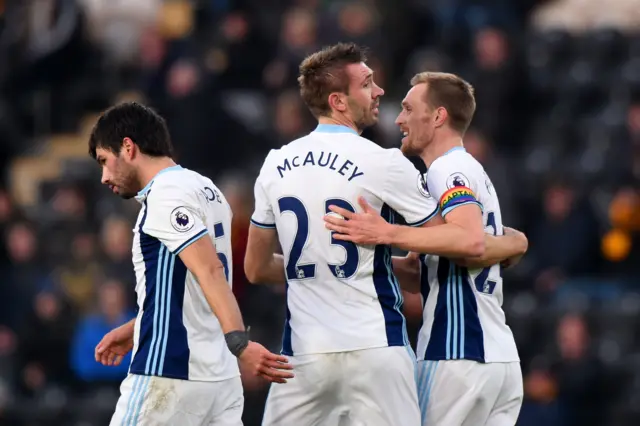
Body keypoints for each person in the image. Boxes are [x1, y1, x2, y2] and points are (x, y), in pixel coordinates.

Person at [244, 43, 524, 426]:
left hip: (304, 355)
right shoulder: (386, 162)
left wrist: (338, 262)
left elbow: (256, 268)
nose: (379, 92)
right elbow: (462, 242)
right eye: (367, 83)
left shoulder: (275, 163)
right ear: (339, 101)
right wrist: (514, 242)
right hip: (377, 350)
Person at [324, 72, 525, 426]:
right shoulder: (473, 170)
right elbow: (445, 261)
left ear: (438, 116)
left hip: (458, 350)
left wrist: (388, 232)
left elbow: (470, 242)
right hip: (500, 359)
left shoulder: (446, 169)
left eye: (407, 108)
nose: (399, 119)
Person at [88, 102, 293, 425]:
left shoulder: (166, 195)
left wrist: (241, 343)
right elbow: (191, 282)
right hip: (219, 380)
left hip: (170, 370)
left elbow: (209, 271)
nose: (103, 177)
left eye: (104, 161)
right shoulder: (207, 189)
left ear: (128, 147)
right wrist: (138, 326)